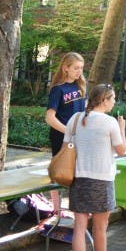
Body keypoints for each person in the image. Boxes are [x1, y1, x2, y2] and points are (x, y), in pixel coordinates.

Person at [68, 84, 126, 251]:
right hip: (102, 179)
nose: (114, 102)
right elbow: (121, 151)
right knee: (100, 227)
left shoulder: (75, 119)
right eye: (112, 99)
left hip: (78, 178)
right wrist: (122, 129)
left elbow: (66, 148)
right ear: (104, 100)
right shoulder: (109, 123)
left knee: (79, 227)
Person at [45, 51, 87, 214]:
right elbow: (50, 118)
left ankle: (78, 207)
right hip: (61, 138)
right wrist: (68, 131)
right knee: (59, 172)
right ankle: (56, 209)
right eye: (76, 68)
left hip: (79, 137)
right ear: (65, 68)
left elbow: (84, 112)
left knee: (79, 172)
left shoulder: (81, 86)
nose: (79, 71)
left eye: (81, 68)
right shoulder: (58, 90)